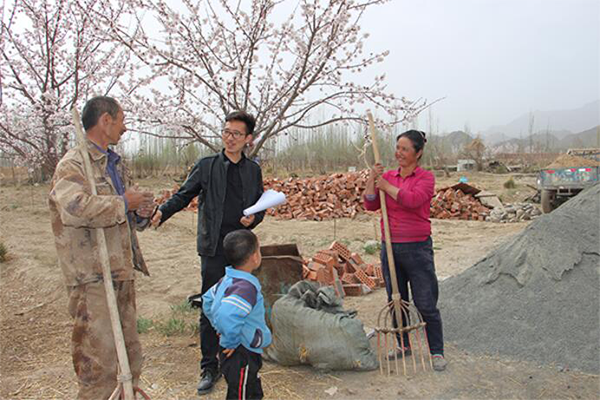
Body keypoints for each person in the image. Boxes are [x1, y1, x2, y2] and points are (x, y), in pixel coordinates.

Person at [150, 110, 265, 395]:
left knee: (241, 303)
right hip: (213, 247)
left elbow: (259, 205)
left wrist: (255, 218)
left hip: (241, 248)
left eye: (236, 134)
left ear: (248, 139)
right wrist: (162, 212)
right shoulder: (207, 166)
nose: (230, 138)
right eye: (226, 132)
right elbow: (184, 194)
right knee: (210, 306)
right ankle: (209, 366)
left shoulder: (253, 170)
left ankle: (237, 359)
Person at [48, 96, 155, 399]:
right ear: (105, 120)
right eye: (122, 120)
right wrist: (122, 203)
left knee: (129, 357)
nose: (125, 127)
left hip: (120, 271)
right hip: (93, 277)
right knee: (98, 364)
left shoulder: (114, 165)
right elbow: (73, 209)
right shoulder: (73, 164)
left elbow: (125, 214)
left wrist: (139, 212)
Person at [363, 129, 447, 372]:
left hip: (418, 248)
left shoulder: (426, 178)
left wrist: (386, 186)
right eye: (397, 148)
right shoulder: (388, 176)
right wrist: (373, 178)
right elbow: (370, 203)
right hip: (390, 246)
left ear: (418, 153)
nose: (398, 153)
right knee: (396, 300)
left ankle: (437, 351)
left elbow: (412, 200)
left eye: (405, 149)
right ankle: (403, 345)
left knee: (426, 302)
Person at [202, 230, 271, 400]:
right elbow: (227, 315)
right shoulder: (245, 288)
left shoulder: (227, 280)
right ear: (254, 257)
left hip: (239, 347)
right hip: (240, 352)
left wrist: (218, 327)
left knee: (251, 385)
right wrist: (230, 340)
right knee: (240, 392)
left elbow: (207, 300)